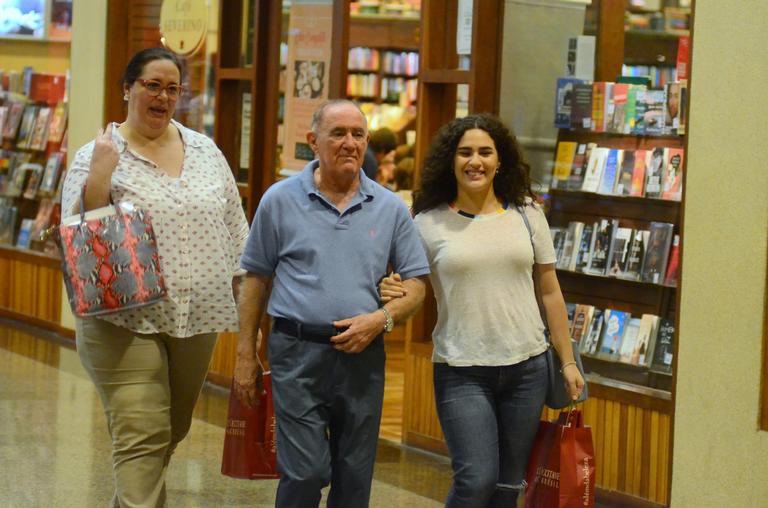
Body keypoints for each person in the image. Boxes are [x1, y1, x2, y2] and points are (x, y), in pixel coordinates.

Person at [61, 47, 249, 508]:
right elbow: (78, 241)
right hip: (123, 321)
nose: (163, 96)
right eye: (152, 85)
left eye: (172, 88)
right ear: (127, 89)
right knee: (143, 436)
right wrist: (101, 179)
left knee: (169, 431)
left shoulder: (205, 150)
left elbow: (236, 228)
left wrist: (251, 315)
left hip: (196, 320)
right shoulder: (98, 153)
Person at [380, 114, 585, 508]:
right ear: (451, 161)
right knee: (476, 480)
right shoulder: (427, 222)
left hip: (527, 368)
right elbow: (410, 285)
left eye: (485, 152)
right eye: (466, 153)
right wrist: (391, 288)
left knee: (508, 487)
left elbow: (550, 292)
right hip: (462, 370)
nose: (475, 161)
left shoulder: (527, 214)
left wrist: (567, 362)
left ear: (499, 160)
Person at [235, 99, 429, 508]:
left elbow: (417, 286)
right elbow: (256, 278)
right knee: (306, 473)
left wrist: (382, 320)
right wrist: (244, 352)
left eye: (358, 135)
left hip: (363, 354)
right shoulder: (279, 199)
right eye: (338, 133)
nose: (349, 143)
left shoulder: (391, 207)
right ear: (313, 141)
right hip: (297, 352)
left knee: (354, 479)